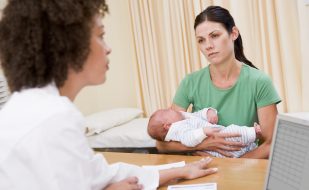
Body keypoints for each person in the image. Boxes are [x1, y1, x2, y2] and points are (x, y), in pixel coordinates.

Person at [0, 1, 218, 189]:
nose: (108, 48)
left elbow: (101, 175)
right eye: (101, 36)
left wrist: (181, 171)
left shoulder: (35, 108)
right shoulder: (53, 117)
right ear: (70, 43)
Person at [156, 5, 281, 159]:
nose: (208, 45)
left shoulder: (259, 82)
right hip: (205, 168)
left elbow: (271, 143)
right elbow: (161, 144)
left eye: (214, 35)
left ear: (233, 33)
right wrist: (205, 144)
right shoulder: (190, 82)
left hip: (244, 167)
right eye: (201, 40)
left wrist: (234, 166)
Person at [148, 108, 262, 158]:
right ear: (167, 126)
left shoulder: (181, 118)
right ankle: (254, 132)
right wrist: (203, 132)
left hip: (223, 144)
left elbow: (197, 115)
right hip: (216, 151)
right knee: (232, 131)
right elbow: (188, 139)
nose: (170, 108)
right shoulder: (177, 130)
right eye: (168, 111)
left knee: (231, 134)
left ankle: (252, 140)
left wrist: (208, 112)